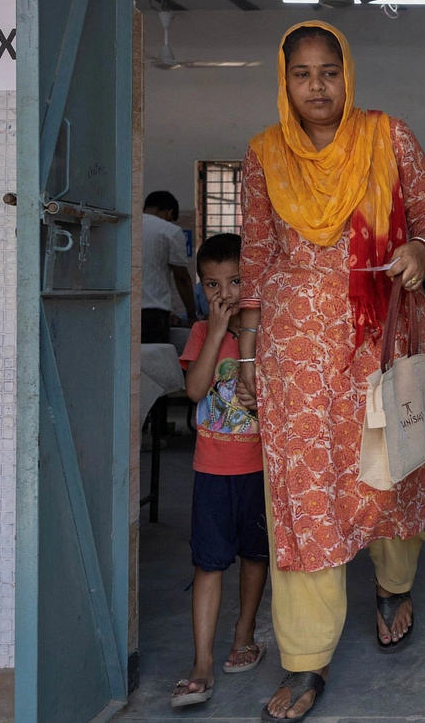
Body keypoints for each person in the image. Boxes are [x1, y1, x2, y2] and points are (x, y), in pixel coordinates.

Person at [235, 22, 425, 722]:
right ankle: (305, 658)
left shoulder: (389, 137)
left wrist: (420, 249)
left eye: (329, 72)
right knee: (304, 499)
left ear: (346, 74)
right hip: (295, 354)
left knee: (391, 470)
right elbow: (258, 259)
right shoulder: (265, 155)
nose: (317, 86)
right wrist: (246, 353)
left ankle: (394, 584)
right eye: (302, 74)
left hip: (380, 337)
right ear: (284, 80)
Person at [171, 234, 268, 708]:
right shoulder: (198, 333)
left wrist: (261, 397)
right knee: (208, 563)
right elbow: (194, 391)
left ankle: (244, 635)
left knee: (255, 555)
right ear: (201, 287)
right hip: (212, 470)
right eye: (213, 284)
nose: (225, 294)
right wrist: (213, 333)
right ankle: (202, 661)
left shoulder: (263, 334)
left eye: (235, 281)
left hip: (258, 469)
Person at [142, 190, 198, 344]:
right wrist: (192, 315)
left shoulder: (127, 225)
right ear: (169, 213)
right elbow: (181, 278)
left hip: (123, 307)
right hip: (154, 315)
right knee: (154, 360)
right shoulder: (170, 231)